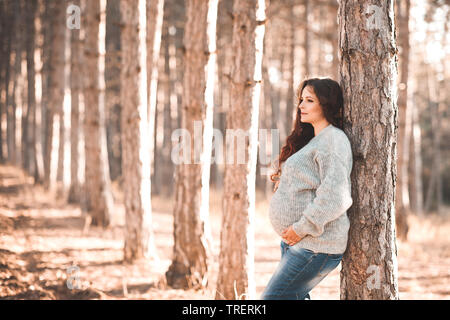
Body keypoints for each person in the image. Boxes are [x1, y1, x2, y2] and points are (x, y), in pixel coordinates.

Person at [261, 77, 353, 300]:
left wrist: (300, 228)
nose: (301, 105)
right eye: (301, 99)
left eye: (309, 100)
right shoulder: (315, 139)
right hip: (300, 242)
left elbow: (335, 196)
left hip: (315, 245)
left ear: (326, 104)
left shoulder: (334, 140)